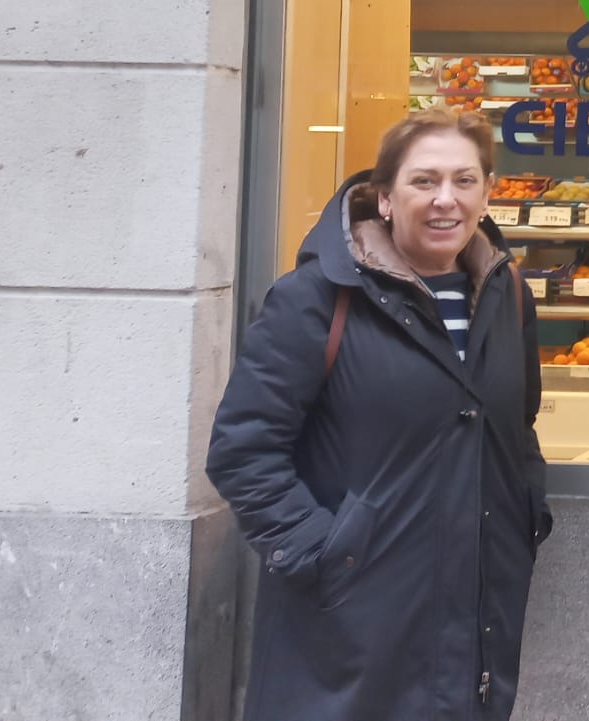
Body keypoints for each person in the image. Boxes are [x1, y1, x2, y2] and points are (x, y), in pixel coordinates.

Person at [207, 109, 550, 720]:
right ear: (385, 198)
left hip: (476, 620)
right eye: (424, 181)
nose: (446, 199)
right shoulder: (317, 298)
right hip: (347, 623)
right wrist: (327, 554)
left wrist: (524, 516)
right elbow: (243, 449)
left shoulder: (508, 297)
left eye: (465, 181)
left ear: (488, 192)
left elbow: (515, 430)